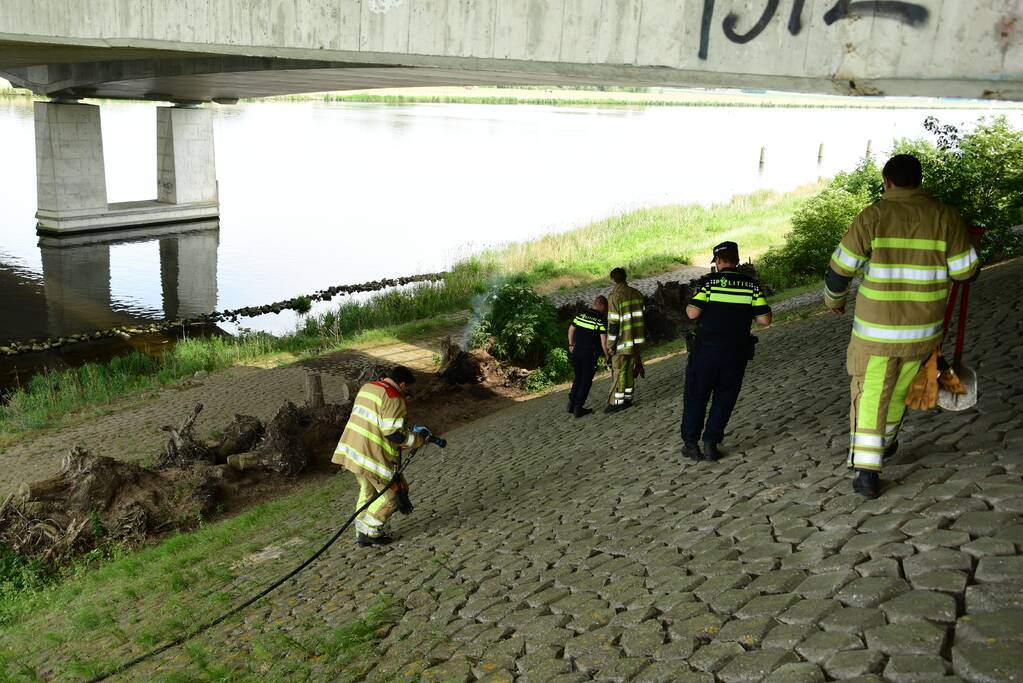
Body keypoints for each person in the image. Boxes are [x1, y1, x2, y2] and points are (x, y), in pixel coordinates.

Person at [825, 154, 979, 498]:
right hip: (923, 333)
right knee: (897, 393)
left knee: (870, 395)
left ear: (887, 181)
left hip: (876, 334)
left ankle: (866, 470)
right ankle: (888, 442)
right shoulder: (945, 217)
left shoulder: (874, 216)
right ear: (918, 181)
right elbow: (966, 272)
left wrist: (833, 301)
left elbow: (840, 269)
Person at [681, 242, 772, 461]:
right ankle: (711, 443)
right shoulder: (751, 285)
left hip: (705, 352)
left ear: (719, 262)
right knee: (725, 398)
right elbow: (764, 319)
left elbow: (692, 314)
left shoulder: (709, 283)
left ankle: (691, 444)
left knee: (696, 396)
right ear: (737, 260)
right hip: (735, 353)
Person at [332, 365, 425, 546]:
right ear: (403, 384)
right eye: (408, 389)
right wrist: (417, 440)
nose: (408, 393)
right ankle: (370, 531)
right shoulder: (393, 398)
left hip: (351, 452)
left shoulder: (369, 387)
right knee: (393, 496)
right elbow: (393, 433)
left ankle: (361, 532)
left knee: (367, 493)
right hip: (371, 457)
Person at [606, 267, 646, 413]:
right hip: (636, 339)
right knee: (629, 369)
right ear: (625, 277)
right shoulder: (636, 293)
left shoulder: (614, 296)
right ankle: (628, 397)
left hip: (622, 341)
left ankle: (616, 402)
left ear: (613, 279)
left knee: (619, 370)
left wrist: (610, 345)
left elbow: (614, 324)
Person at [567, 295, 610, 417]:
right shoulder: (599, 320)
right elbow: (603, 342)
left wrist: (571, 344)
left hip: (576, 351)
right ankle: (578, 407)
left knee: (578, 377)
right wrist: (607, 356)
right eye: (605, 308)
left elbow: (571, 329)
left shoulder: (582, 315)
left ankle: (571, 403)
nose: (605, 311)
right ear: (601, 305)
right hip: (589, 354)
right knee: (586, 380)